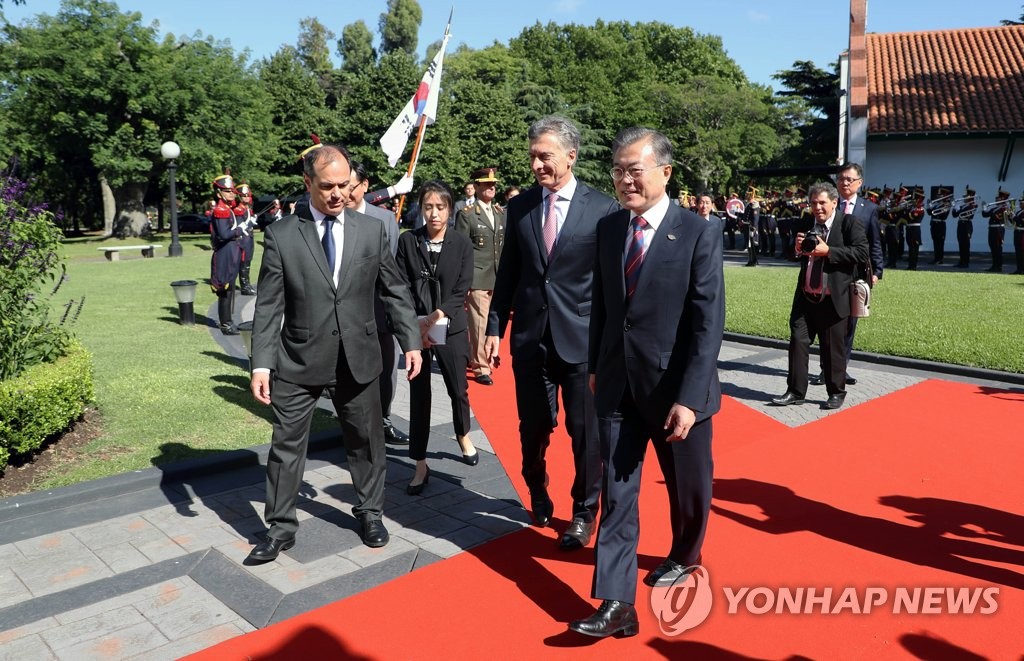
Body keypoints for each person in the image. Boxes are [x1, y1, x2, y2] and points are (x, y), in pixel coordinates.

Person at [568, 127, 724, 639]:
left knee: (689, 487)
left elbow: (707, 324)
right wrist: (594, 366)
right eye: (618, 170)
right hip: (616, 386)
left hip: (676, 389)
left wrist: (690, 398)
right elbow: (605, 312)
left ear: (665, 172)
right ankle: (617, 602)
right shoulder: (611, 230)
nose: (625, 179)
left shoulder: (698, 232)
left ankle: (686, 551)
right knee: (618, 491)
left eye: (635, 168)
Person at [247, 144, 423, 562]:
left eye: (345, 184)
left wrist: (410, 341)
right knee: (287, 446)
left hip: (358, 355)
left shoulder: (372, 230)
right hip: (298, 359)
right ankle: (281, 527)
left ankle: (370, 512)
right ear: (307, 183)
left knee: (366, 441)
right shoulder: (282, 235)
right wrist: (261, 364)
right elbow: (270, 305)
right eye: (328, 186)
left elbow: (394, 291)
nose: (338, 194)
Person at [485, 115, 619, 550]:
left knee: (586, 434)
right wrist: (493, 326)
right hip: (530, 339)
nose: (537, 164)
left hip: (582, 342)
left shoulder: (602, 208)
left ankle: (584, 512)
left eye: (545, 156)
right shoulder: (521, 206)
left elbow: (612, 283)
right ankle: (536, 487)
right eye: (533, 157)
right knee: (535, 427)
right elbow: (509, 273)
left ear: (571, 156)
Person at [394, 181, 478, 495]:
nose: (434, 214)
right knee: (419, 395)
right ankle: (419, 464)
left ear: (450, 209)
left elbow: (462, 288)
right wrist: (416, 324)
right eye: (428, 207)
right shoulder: (408, 242)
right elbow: (399, 286)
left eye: (440, 207)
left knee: (458, 388)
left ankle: (462, 434)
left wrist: (437, 316)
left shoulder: (461, 243)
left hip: (449, 326)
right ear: (420, 209)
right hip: (416, 330)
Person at [771, 182, 868, 411]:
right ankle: (795, 391)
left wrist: (829, 252)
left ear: (834, 203)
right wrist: (795, 249)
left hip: (834, 297)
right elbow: (787, 253)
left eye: (822, 202)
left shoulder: (848, 223)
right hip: (806, 297)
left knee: (832, 348)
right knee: (797, 341)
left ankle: (836, 392)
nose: (817, 208)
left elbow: (862, 252)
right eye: (813, 203)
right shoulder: (805, 222)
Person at [347, 160, 410, 446]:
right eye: (341, 186)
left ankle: (383, 420)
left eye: (351, 186)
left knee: (387, 368)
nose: (345, 193)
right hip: (345, 311)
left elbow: (393, 270)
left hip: (379, 308)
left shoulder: (384, 219)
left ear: (365, 186)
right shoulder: (330, 215)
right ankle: (353, 423)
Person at [810, 162, 883, 388]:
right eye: (841, 178)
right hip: (828, 271)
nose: (844, 183)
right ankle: (825, 369)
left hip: (856, 273)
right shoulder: (828, 205)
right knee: (827, 322)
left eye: (849, 179)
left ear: (859, 183)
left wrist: (877, 271)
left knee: (849, 323)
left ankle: (841, 367)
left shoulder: (868, 208)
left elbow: (874, 243)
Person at [455, 167, 505, 386]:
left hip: (498, 276)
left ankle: (486, 354)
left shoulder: (499, 212)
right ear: (475, 187)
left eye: (493, 183)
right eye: (486, 184)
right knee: (479, 322)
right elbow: (460, 249)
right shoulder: (467, 215)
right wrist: (462, 279)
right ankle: (480, 365)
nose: (491, 187)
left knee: (493, 321)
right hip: (476, 276)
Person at [209, 172, 244, 335]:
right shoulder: (221, 210)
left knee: (230, 288)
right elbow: (223, 235)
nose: (231, 193)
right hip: (224, 252)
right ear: (219, 193)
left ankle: (229, 320)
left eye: (231, 191)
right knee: (224, 288)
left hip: (231, 251)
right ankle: (225, 323)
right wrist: (238, 230)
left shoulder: (228, 209)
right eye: (227, 191)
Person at [233, 182, 259, 296]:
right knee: (244, 262)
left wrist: (251, 220)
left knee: (248, 261)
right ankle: (245, 286)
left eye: (248, 195)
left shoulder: (246, 208)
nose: (247, 197)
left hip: (249, 237)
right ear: (239, 197)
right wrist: (248, 223)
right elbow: (239, 226)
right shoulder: (239, 209)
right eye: (244, 195)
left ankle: (246, 284)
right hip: (243, 238)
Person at [982, 189, 1010, 273]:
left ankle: (999, 266)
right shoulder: (995, 208)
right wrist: (984, 208)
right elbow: (985, 215)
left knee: (998, 248)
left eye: (998, 198)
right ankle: (994, 265)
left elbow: (998, 217)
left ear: (1003, 199)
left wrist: (991, 211)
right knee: (993, 248)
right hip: (992, 229)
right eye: (996, 198)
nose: (996, 200)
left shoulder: (1005, 209)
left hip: (998, 230)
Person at [952, 186, 977, 268]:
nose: (964, 198)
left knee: (966, 245)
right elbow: (955, 215)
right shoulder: (963, 206)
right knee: (961, 244)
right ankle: (961, 261)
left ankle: (965, 262)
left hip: (967, 225)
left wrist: (959, 210)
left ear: (970, 197)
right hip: (960, 225)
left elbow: (970, 216)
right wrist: (955, 208)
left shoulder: (973, 205)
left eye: (966, 196)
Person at [927, 185, 953, 264]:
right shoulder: (935, 204)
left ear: (943, 196)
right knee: (935, 242)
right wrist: (929, 207)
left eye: (940, 196)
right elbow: (929, 213)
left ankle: (940, 259)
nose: (938, 197)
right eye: (938, 196)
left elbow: (944, 216)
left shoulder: (946, 205)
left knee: (940, 243)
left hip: (940, 224)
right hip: (934, 224)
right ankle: (936, 258)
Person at [1012, 192, 1024, 274]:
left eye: (1022, 203)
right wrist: (1010, 216)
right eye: (1020, 203)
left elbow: (1021, 222)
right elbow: (1014, 222)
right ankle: (1019, 269)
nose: (1020, 204)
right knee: (1018, 252)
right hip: (1017, 232)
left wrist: (1014, 217)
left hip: (1023, 233)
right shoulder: (1019, 212)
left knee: (1023, 252)